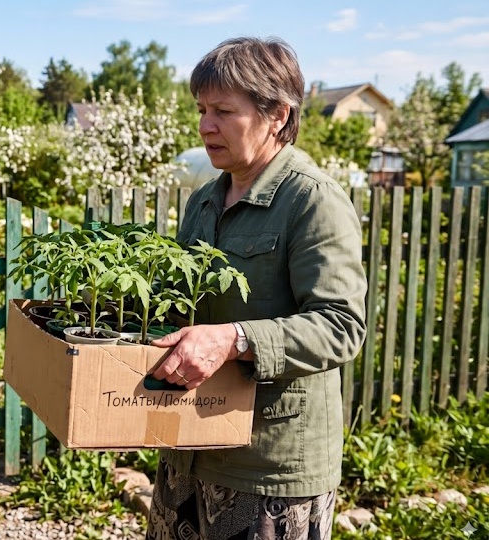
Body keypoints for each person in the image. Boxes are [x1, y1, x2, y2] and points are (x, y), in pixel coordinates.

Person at [146, 37, 367, 540]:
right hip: (189, 444)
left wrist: (234, 339)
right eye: (202, 109)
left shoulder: (312, 201)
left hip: (270, 469)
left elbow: (341, 326)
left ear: (277, 114)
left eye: (224, 110)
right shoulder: (204, 201)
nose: (205, 126)